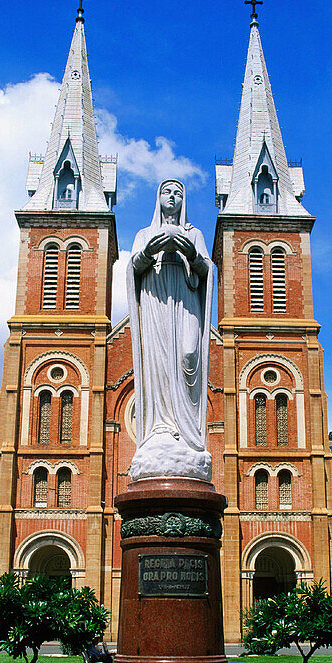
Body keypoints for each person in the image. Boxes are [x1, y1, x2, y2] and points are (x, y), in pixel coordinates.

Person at [126, 179, 213, 482]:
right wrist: (148, 252)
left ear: (184, 200)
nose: (173, 197)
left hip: (186, 301)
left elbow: (207, 270)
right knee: (159, 364)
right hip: (155, 302)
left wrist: (192, 253)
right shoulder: (144, 234)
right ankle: (161, 427)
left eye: (178, 193)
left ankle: (188, 434)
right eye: (167, 192)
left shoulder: (195, 233)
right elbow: (133, 268)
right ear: (158, 199)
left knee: (189, 355)